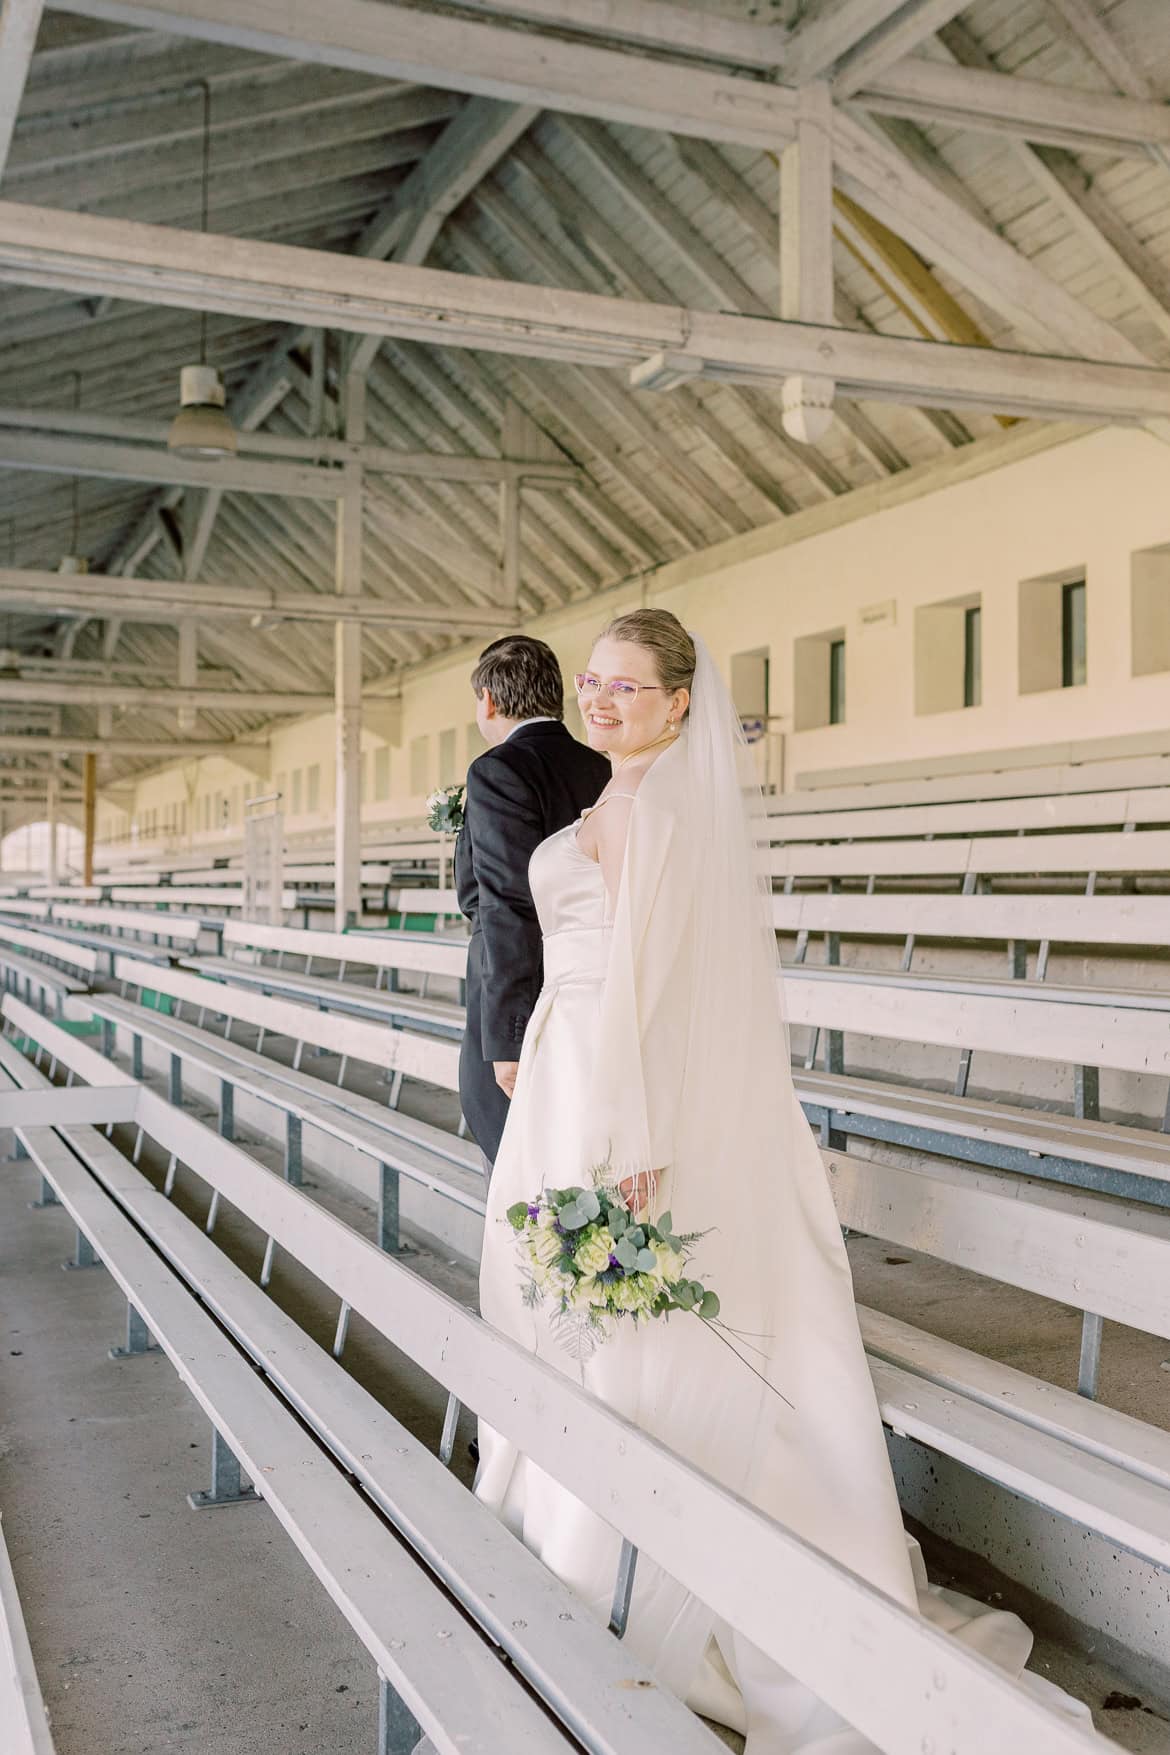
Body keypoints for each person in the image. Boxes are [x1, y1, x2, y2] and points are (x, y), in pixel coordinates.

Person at [474, 609, 1089, 1751]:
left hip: (620, 1101)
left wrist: (635, 1158)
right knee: (563, 1324)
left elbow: (669, 1006)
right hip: (568, 1080)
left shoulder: (663, 818)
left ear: (679, 705)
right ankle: (563, 1527)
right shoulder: (609, 799)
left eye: (628, 685)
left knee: (632, 1338)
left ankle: (624, 1560)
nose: (602, 698)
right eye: (594, 682)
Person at [455, 634, 609, 1173]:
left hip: (524, 995)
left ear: (489, 701)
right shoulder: (603, 767)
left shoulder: (498, 770)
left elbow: (507, 905)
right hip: (597, 983)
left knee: (522, 1162)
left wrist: (507, 1034)